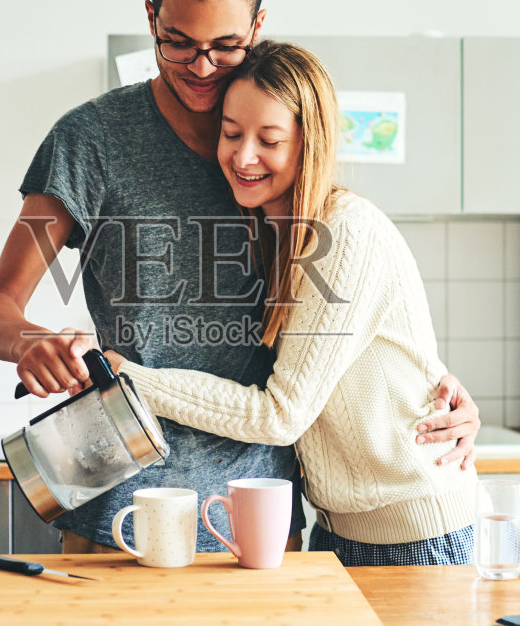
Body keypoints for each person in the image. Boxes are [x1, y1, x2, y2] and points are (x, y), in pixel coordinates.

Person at [0, 0, 478, 554]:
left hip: (258, 514)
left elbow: (344, 322)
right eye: (179, 42)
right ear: (151, 20)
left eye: (226, 46)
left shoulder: (280, 160)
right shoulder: (88, 143)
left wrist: (436, 391)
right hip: (122, 507)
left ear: (257, 29)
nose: (203, 66)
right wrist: (32, 342)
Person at [109, 41, 481, 565]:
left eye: (270, 140)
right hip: (341, 530)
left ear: (311, 142)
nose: (243, 157)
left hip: (418, 538)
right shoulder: (277, 237)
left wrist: (128, 378)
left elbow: (281, 414)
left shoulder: (345, 233)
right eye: (231, 133)